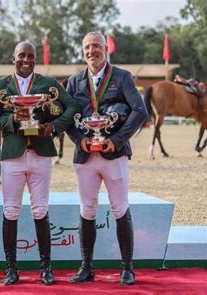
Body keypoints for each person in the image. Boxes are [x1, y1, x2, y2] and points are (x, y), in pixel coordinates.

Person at [0, 41, 79, 286]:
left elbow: (72, 107)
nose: (26, 60)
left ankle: (46, 268)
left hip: (40, 154)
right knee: (11, 210)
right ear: (13, 57)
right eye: (21, 56)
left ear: (35, 58)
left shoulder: (47, 83)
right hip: (13, 155)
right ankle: (11, 268)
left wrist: (53, 127)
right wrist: (13, 119)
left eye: (31, 56)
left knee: (40, 209)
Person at [65, 32, 147, 286]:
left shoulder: (122, 77)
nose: (92, 51)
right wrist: (80, 140)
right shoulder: (74, 80)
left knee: (119, 208)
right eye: (87, 47)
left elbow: (140, 111)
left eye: (97, 47)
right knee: (87, 210)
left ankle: (127, 268)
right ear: (83, 51)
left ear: (105, 49)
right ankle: (86, 267)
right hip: (85, 155)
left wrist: (118, 139)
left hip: (114, 153)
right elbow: (68, 117)